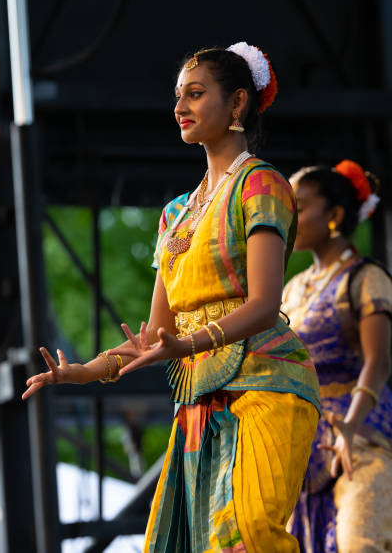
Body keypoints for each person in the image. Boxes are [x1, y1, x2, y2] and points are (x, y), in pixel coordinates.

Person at [23, 42, 320, 552]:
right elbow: (156, 334)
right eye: (178, 96)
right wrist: (84, 372)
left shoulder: (260, 184)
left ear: (238, 105)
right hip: (200, 399)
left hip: (267, 384)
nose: (180, 107)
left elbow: (265, 305)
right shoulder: (175, 214)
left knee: (246, 535)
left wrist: (186, 345)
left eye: (196, 94)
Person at [282, 160, 392, 552]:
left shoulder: (365, 277)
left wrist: (349, 425)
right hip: (299, 448)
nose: (288, 215)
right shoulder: (292, 290)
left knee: (358, 542)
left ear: (335, 215)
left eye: (299, 204)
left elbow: (378, 362)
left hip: (358, 437)